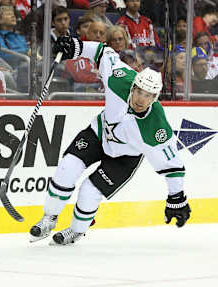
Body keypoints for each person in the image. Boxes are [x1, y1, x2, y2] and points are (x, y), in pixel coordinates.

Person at [30, 36, 191, 245]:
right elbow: (103, 52)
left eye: (148, 96)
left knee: (89, 191)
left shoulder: (156, 126)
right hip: (98, 133)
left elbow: (173, 164)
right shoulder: (119, 78)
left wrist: (176, 197)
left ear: (155, 97)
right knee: (67, 167)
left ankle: (76, 230)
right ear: (133, 86)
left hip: (124, 158)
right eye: (139, 92)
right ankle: (49, 218)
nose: (141, 99)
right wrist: (75, 47)